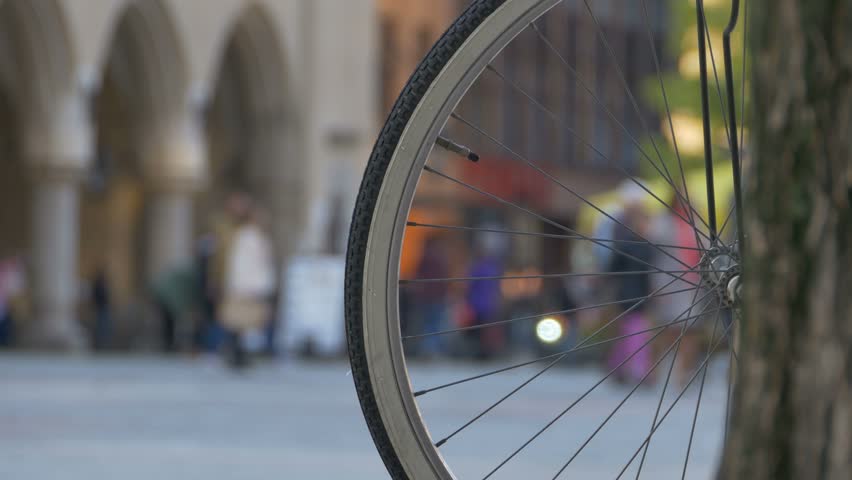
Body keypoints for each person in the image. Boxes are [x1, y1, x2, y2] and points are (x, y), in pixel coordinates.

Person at [220, 201, 276, 368]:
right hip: (248, 287)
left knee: (246, 324)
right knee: (240, 322)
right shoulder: (248, 237)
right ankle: (235, 355)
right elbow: (246, 264)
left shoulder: (254, 237)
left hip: (248, 286)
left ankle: (240, 355)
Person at [606, 202, 655, 385]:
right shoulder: (644, 247)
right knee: (636, 332)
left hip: (627, 293)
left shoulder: (625, 244)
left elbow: (612, 269)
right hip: (635, 294)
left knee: (627, 331)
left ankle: (618, 366)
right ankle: (638, 370)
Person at [411, 236, 451, 357]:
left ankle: (429, 349)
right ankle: (432, 349)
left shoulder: (424, 259)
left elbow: (418, 277)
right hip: (437, 297)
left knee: (428, 323)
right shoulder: (440, 260)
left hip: (427, 297)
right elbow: (445, 279)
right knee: (434, 324)